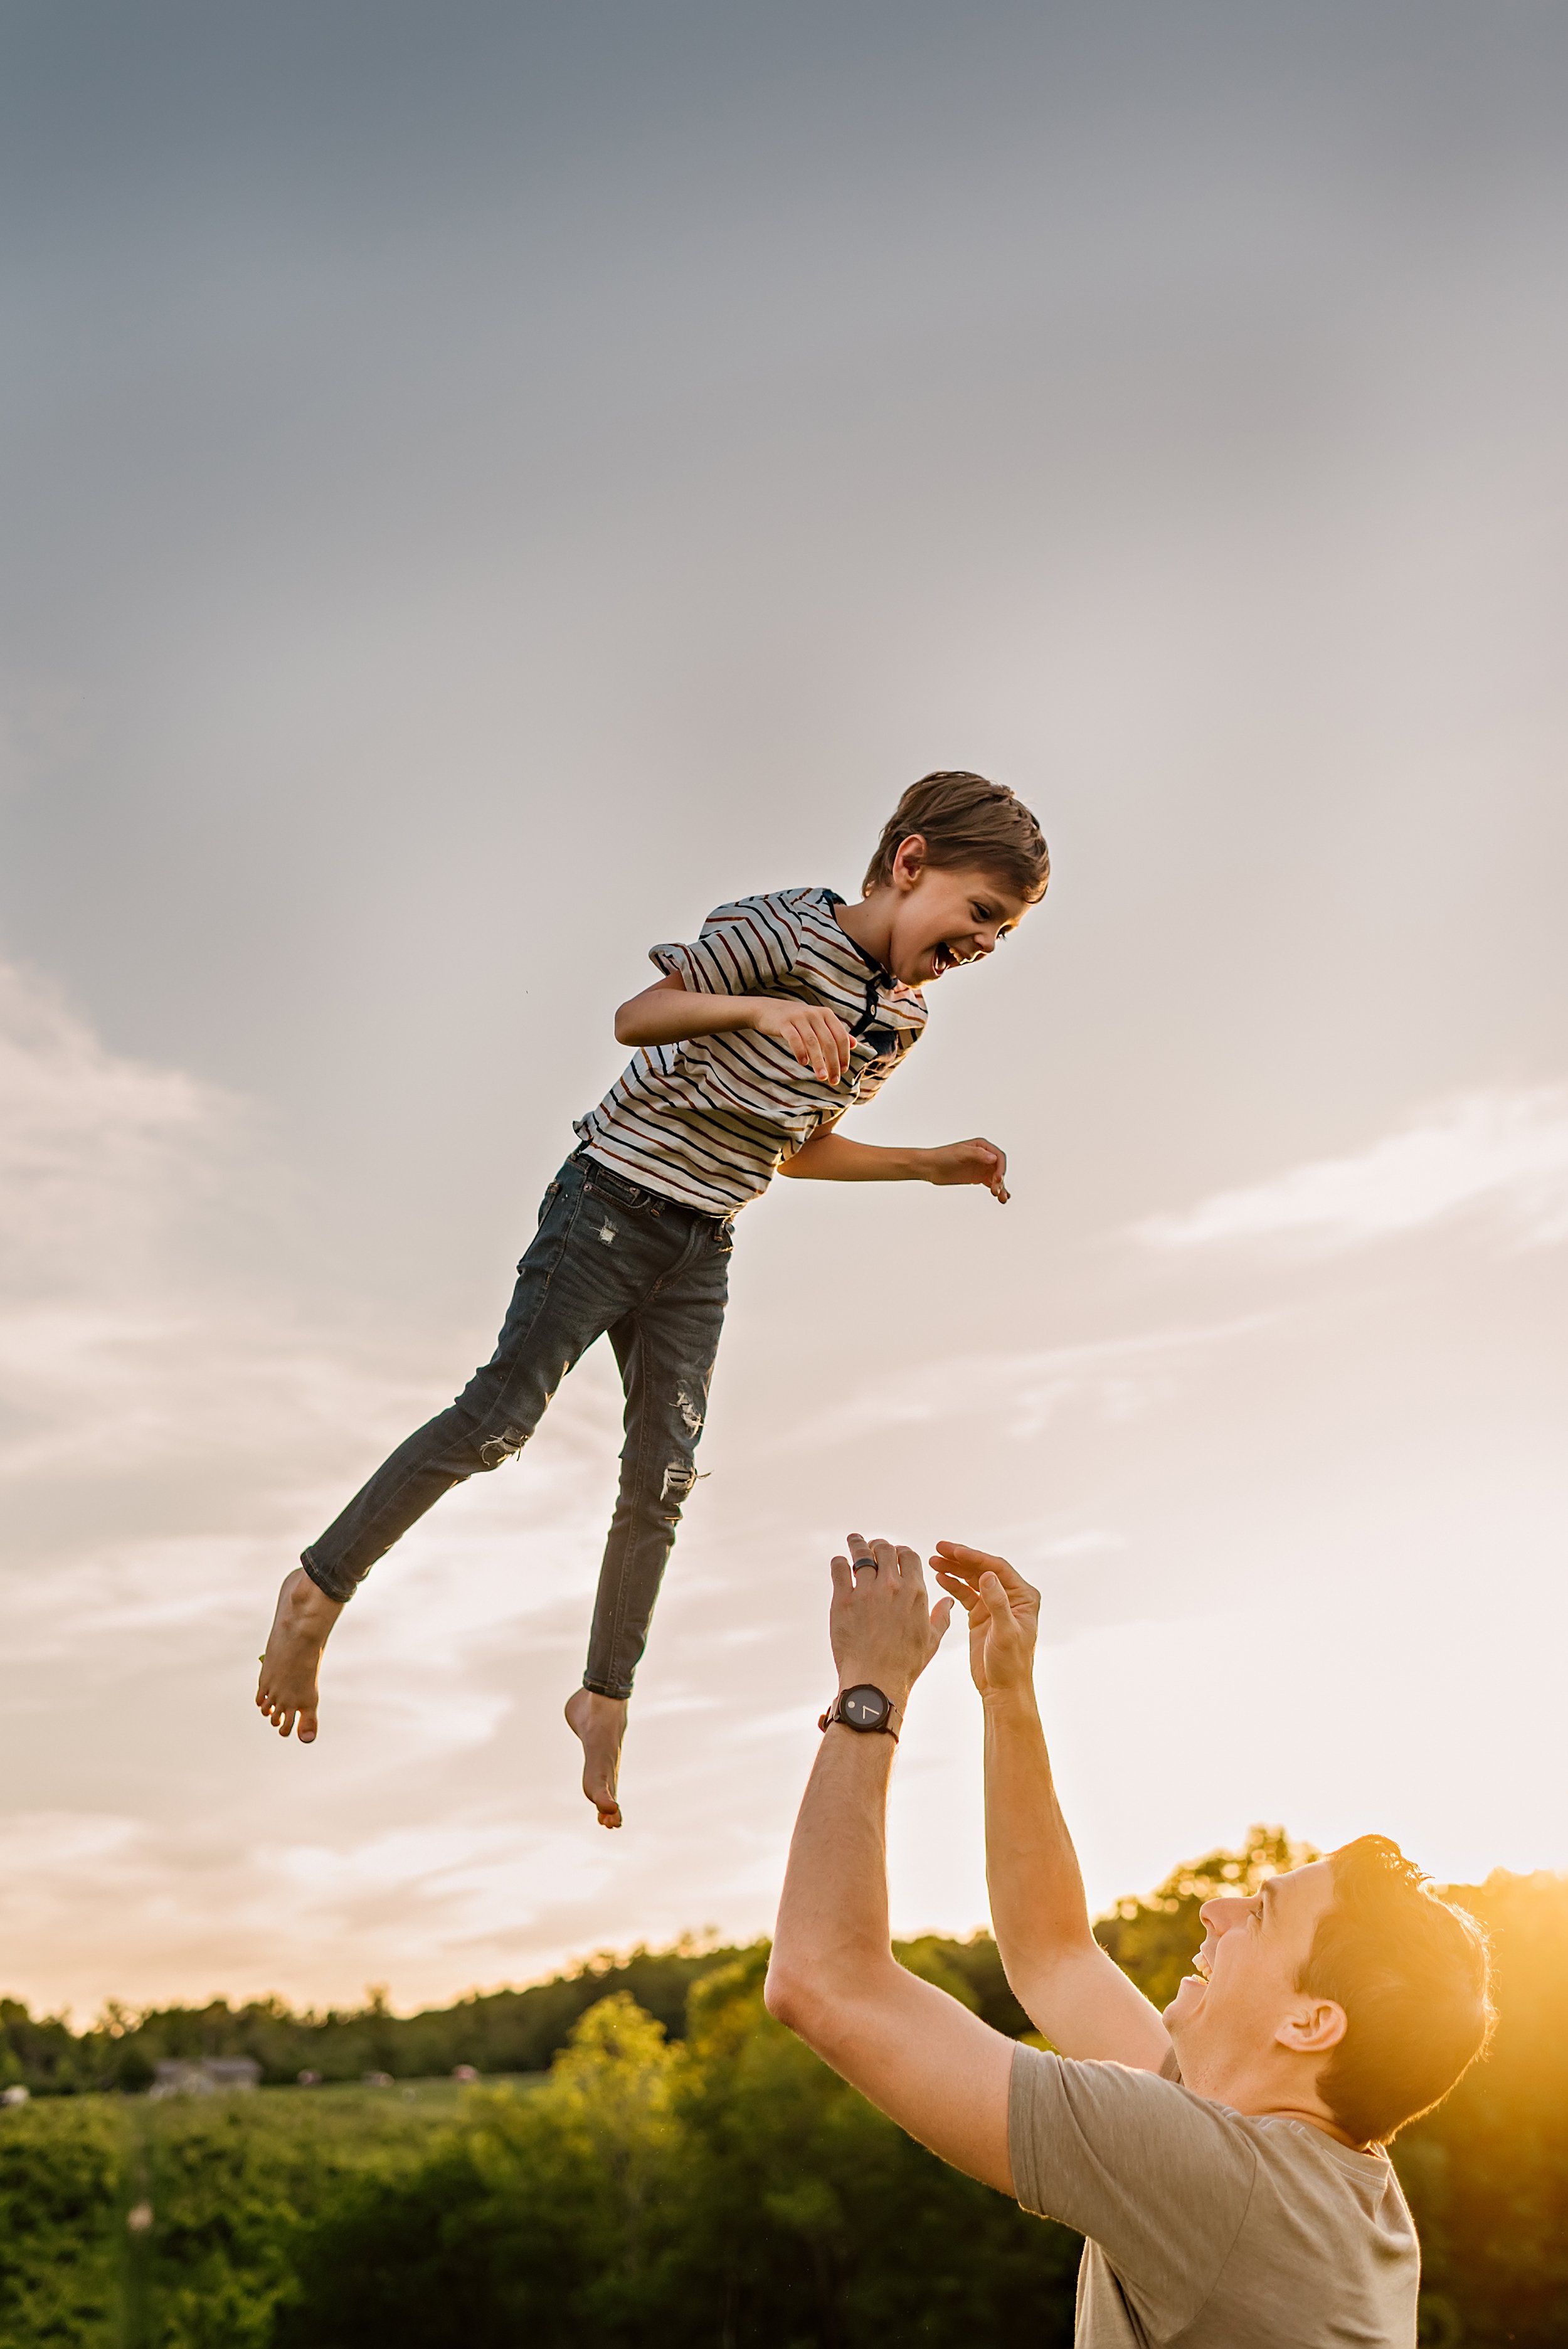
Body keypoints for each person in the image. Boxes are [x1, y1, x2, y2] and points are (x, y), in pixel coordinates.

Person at [255, 773, 1050, 1828]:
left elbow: (797, 1145)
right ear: (911, 864)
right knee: (500, 1421)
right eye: (981, 913)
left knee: (662, 1475)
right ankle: (318, 1588)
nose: (984, 944)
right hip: (610, 1204)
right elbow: (640, 1015)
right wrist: (764, 1006)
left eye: (1003, 933)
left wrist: (924, 1163)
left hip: (701, 1245)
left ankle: (603, 1693)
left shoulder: (898, 1021)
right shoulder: (780, 929)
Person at [766, 1536, 1494, 2346]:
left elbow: (824, 1980)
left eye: (1260, 1914)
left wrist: (872, 1689)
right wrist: (1007, 1689)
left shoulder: (1218, 2183)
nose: (1214, 1908)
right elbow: (1054, 1954)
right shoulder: (1319, 2180)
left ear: (1311, 2022)